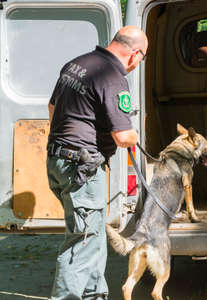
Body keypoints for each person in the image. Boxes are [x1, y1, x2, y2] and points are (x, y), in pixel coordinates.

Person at [46, 25, 148, 300]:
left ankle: (95, 294)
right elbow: (124, 136)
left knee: (91, 234)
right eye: (142, 58)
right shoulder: (113, 77)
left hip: (58, 162)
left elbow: (52, 108)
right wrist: (136, 132)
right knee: (82, 241)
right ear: (135, 54)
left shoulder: (77, 64)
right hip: (83, 169)